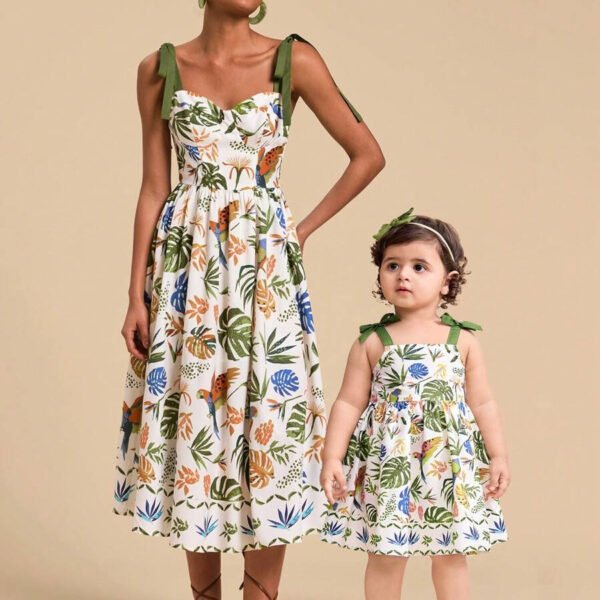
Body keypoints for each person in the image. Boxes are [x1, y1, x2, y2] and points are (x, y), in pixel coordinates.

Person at [113, 1, 385, 598]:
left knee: (270, 422)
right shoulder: (158, 69)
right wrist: (136, 295)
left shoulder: (294, 60)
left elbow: (368, 154)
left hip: (265, 272)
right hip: (185, 276)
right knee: (196, 420)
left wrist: (300, 231)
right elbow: (154, 187)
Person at [320, 209, 509, 600]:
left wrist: (498, 455)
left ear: (447, 281)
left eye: (419, 267)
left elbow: (482, 402)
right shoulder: (373, 342)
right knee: (386, 554)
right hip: (390, 463)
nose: (403, 275)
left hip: (449, 463)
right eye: (393, 265)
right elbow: (348, 403)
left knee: (452, 552)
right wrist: (332, 457)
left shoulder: (463, 342)